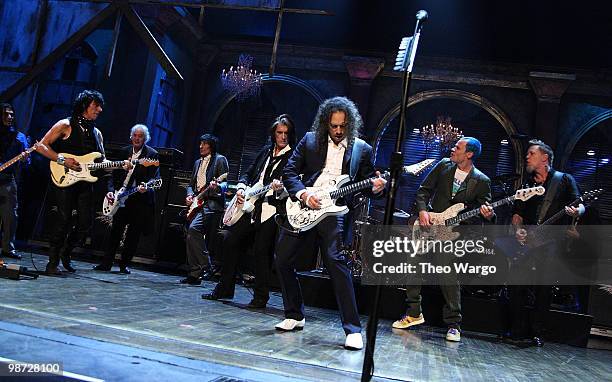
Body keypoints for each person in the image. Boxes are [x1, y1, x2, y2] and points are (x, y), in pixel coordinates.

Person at [274, 96, 386, 350]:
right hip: (305, 205)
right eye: (333, 126)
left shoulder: (362, 149)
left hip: (335, 211)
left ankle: (353, 329)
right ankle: (294, 314)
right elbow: (290, 173)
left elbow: (367, 187)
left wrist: (378, 188)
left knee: (336, 262)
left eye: (342, 126)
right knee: (281, 259)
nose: (337, 131)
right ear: (326, 123)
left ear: (350, 125)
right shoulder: (310, 140)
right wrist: (304, 194)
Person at [392, 137, 494, 342]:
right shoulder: (444, 166)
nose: (452, 149)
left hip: (453, 234)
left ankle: (454, 324)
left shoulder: (481, 181)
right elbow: (423, 191)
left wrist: (488, 214)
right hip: (430, 225)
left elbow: (487, 213)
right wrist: (422, 211)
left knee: (447, 274)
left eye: (458, 147)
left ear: (469, 154)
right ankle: (413, 313)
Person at [202, 114, 295, 308]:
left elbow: (294, 184)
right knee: (230, 239)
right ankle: (225, 287)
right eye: (280, 132)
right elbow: (248, 172)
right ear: (273, 134)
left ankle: (261, 296)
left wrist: (281, 189)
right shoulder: (265, 152)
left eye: (286, 133)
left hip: (271, 209)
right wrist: (242, 188)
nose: (283, 137)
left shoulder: (292, 157)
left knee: (262, 251)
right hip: (250, 206)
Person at [505, 139, 583, 347]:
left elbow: (580, 204)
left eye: (531, 153)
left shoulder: (564, 180)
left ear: (544, 157)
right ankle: (517, 330)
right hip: (527, 242)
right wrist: (518, 231)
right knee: (515, 285)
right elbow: (517, 214)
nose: (527, 157)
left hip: (550, 243)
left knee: (543, 289)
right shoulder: (527, 185)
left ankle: (536, 333)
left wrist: (577, 212)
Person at [38, 90, 117, 275]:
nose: (99, 109)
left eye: (100, 105)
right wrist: (62, 160)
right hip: (64, 178)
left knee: (85, 223)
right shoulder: (65, 124)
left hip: (85, 182)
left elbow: (101, 162)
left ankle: (67, 251)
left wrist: (122, 165)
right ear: (84, 106)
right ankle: (52, 262)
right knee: (64, 219)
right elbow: (41, 145)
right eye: (95, 105)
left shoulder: (97, 133)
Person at [93, 124, 160, 274]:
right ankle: (106, 263)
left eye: (140, 136)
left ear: (145, 139)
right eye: (134, 135)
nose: (137, 138)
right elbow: (111, 174)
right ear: (131, 137)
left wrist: (146, 187)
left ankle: (124, 265)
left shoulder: (152, 154)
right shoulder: (124, 151)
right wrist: (111, 191)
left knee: (133, 235)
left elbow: (156, 178)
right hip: (120, 196)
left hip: (138, 199)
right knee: (115, 232)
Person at [181, 134, 229, 285]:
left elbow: (225, 184)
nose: (201, 146)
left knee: (194, 230)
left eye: (205, 144)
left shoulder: (220, 160)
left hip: (211, 205)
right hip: (197, 203)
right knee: (189, 235)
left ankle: (206, 265)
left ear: (211, 146)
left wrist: (217, 187)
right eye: (200, 143)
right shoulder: (197, 163)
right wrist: (190, 196)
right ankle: (195, 274)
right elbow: (190, 185)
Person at [0, 103, 30, 260]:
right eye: (6, 114)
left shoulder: (20, 137)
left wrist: (25, 158)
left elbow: (27, 162)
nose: (10, 117)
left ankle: (7, 248)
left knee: (10, 216)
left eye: (12, 114)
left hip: (7, 180)